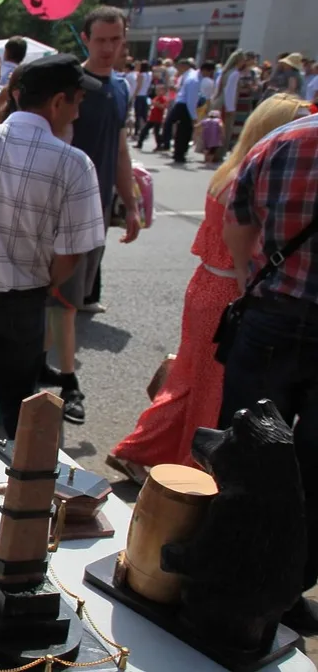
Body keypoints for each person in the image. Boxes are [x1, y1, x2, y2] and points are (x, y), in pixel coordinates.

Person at [108, 94, 309, 483]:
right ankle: (193, 467)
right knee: (210, 388)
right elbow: (246, 249)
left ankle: (143, 450)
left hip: (207, 284)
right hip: (228, 292)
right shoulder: (251, 179)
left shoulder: (231, 173)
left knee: (190, 379)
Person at [0, 55, 105, 444]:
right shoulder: (74, 163)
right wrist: (44, 282)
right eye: (76, 102)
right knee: (19, 405)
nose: (77, 113)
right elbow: (71, 254)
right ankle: (20, 477)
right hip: (24, 297)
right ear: (57, 102)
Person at [219, 109, 318, 634]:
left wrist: (246, 278)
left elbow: (237, 224)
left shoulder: (285, 140)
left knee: (247, 451)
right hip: (276, 317)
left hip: (273, 315)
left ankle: (228, 572)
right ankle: (287, 590)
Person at [47, 5, 142, 424]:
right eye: (100, 39)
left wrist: (131, 204)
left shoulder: (121, 88)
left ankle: (52, 372)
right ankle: (60, 379)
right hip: (57, 208)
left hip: (96, 209)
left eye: (115, 39)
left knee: (69, 301)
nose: (108, 47)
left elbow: (120, 149)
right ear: (85, 38)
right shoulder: (70, 86)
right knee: (56, 300)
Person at [169, 58, 200, 164]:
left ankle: (180, 153)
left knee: (183, 132)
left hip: (185, 106)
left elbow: (191, 99)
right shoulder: (185, 76)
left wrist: (193, 115)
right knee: (182, 131)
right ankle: (178, 153)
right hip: (182, 104)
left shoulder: (192, 78)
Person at [135, 83, 168, 149]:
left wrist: (156, 104)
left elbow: (163, 107)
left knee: (156, 133)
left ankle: (159, 145)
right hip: (152, 118)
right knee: (144, 130)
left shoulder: (163, 99)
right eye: (156, 90)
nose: (157, 92)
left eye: (159, 90)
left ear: (163, 91)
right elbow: (152, 104)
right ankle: (139, 144)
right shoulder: (156, 98)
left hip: (158, 119)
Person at [132, 61, 153, 138]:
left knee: (138, 115)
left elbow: (139, 86)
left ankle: (136, 131)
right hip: (145, 95)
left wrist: (134, 95)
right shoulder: (150, 75)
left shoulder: (141, 75)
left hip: (139, 95)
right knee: (144, 115)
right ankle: (145, 131)